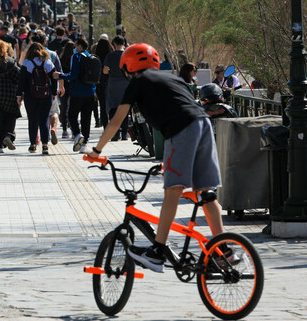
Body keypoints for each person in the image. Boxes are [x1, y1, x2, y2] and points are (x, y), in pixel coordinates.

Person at [87, 43, 233, 273]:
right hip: (202, 125)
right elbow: (180, 106)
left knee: (172, 190)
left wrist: (96, 151)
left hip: (181, 129)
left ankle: (156, 252)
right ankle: (224, 251)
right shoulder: (174, 79)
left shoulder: (137, 83)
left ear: (128, 67)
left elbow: (116, 121)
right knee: (206, 192)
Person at [55, 37, 96, 153]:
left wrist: (60, 75)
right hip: (90, 92)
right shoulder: (91, 57)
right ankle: (84, 144)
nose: (74, 48)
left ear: (80, 46)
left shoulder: (76, 57)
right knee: (86, 118)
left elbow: (73, 75)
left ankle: (77, 135)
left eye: (75, 45)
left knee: (71, 115)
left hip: (77, 92)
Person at [17, 42, 56, 155]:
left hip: (31, 95)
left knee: (32, 120)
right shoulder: (48, 62)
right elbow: (54, 78)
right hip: (45, 94)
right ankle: (45, 145)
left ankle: (33, 144)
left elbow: (22, 81)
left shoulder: (27, 63)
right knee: (43, 120)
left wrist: (20, 95)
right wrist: (53, 93)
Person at [103, 35, 129, 140]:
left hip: (113, 83)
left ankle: (115, 133)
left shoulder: (110, 55)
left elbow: (105, 70)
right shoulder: (127, 55)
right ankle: (124, 133)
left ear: (114, 43)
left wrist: (112, 71)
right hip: (125, 84)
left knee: (113, 108)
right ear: (124, 44)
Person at [95, 34, 115, 128]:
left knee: (102, 107)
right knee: (112, 106)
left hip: (99, 84)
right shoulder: (111, 56)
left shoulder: (96, 57)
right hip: (111, 83)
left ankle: (106, 128)